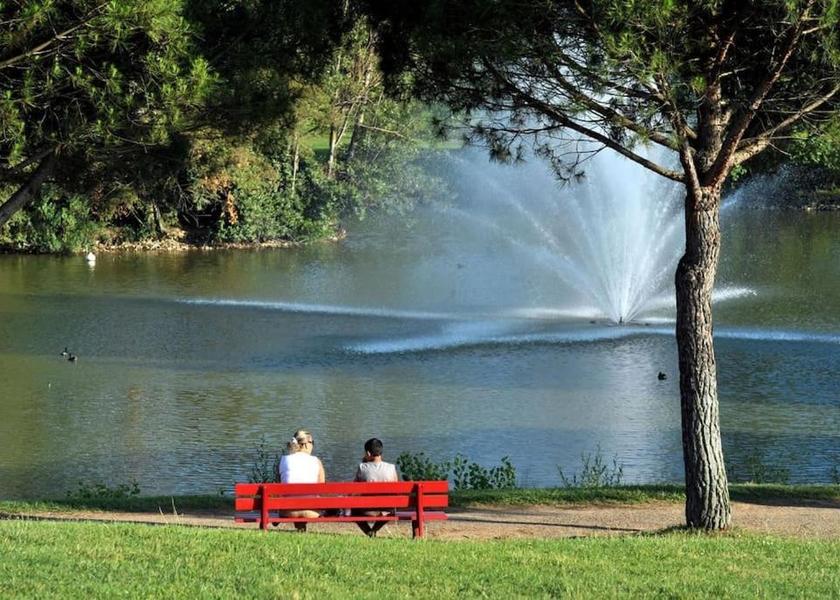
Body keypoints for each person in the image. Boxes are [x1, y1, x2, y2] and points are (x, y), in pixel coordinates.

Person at [278, 429, 325, 531]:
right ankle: (301, 527)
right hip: (312, 512)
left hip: (287, 512)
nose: (313, 445)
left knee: (292, 497)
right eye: (312, 443)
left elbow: (279, 486)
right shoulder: (316, 461)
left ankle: (300, 528)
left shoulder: (283, 460)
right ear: (306, 444)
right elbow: (322, 489)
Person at [353, 437, 399, 537]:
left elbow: (354, 489)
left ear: (368, 453)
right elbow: (396, 490)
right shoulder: (391, 467)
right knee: (390, 507)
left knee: (353, 510)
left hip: (366, 510)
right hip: (387, 511)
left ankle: (369, 531)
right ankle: (374, 530)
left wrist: (364, 462)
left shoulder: (362, 467)